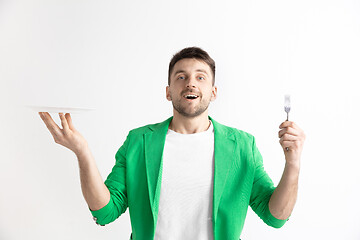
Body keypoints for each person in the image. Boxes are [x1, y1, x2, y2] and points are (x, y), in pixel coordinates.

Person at [39, 47, 306, 240]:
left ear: (213, 92)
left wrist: (293, 163)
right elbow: (106, 211)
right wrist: (82, 152)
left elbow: (275, 217)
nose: (191, 82)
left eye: (201, 76)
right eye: (181, 76)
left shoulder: (242, 146)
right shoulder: (139, 142)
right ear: (168, 91)